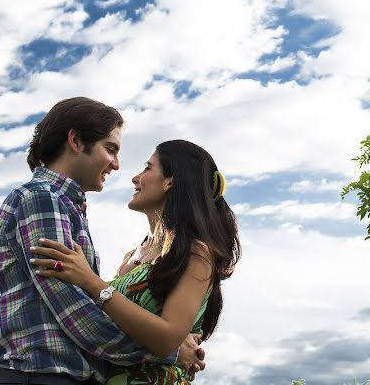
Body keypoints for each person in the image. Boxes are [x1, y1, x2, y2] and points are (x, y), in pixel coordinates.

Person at [0, 97, 206, 385]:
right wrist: (169, 351)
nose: (116, 165)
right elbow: (74, 312)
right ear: (76, 141)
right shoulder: (42, 198)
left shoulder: (62, 204)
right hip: (43, 375)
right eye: (110, 149)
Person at [30, 139, 241, 385]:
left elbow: (166, 339)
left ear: (170, 182)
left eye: (147, 168)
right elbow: (106, 327)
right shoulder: (131, 257)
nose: (135, 177)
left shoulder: (195, 253)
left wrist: (90, 281)